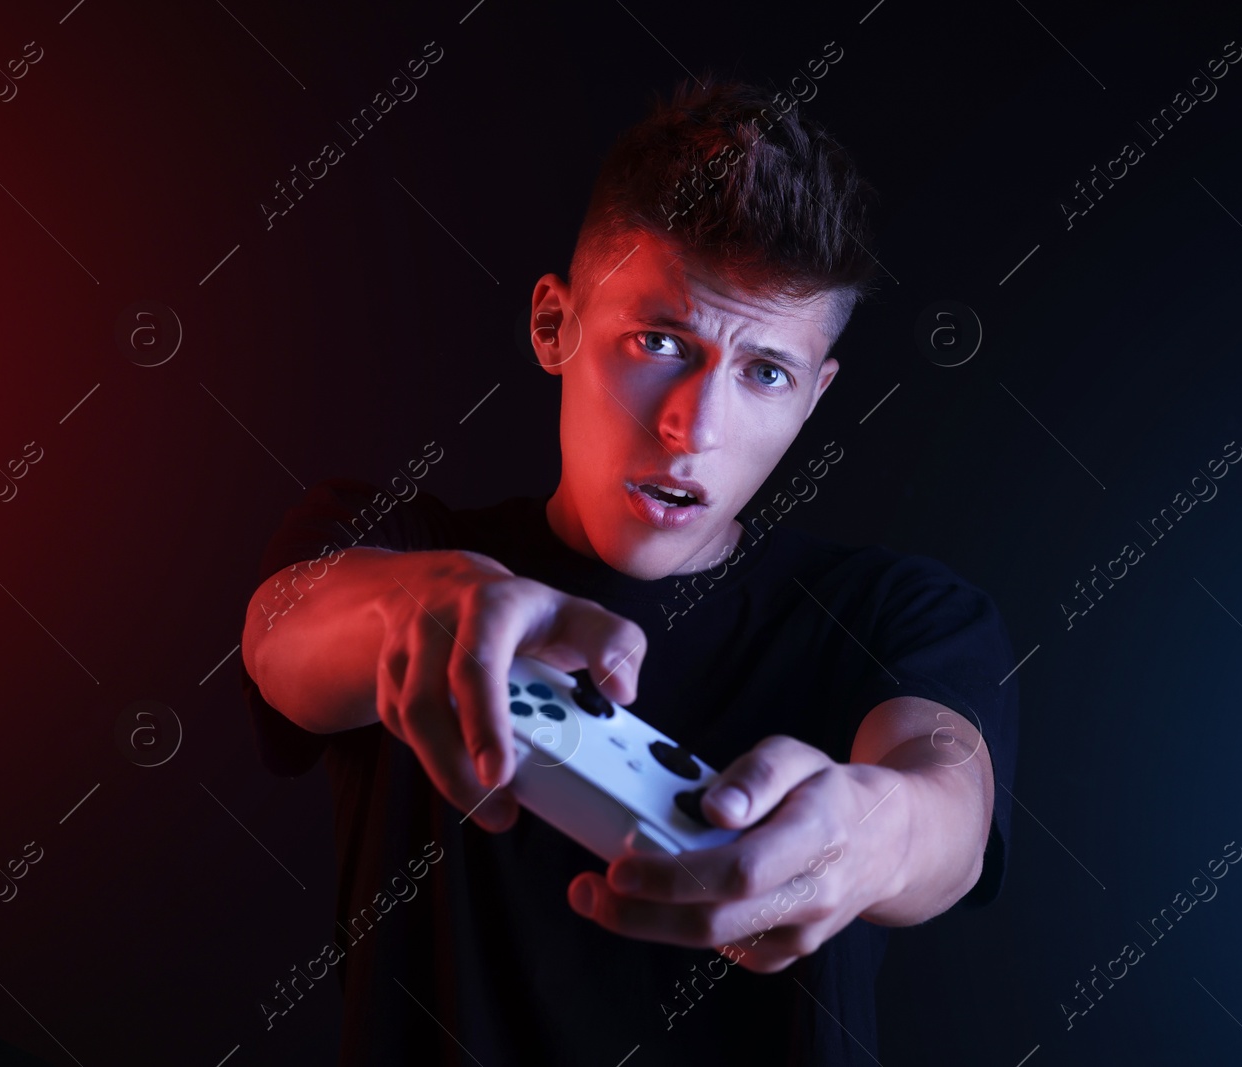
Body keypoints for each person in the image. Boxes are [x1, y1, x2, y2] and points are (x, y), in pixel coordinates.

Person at [239, 76, 1018, 1066]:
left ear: (814, 397)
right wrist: (410, 606)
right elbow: (285, 636)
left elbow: (947, 802)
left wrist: (881, 827)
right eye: (658, 340)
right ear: (554, 325)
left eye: (764, 372)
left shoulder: (901, 612)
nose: (692, 428)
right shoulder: (389, 533)